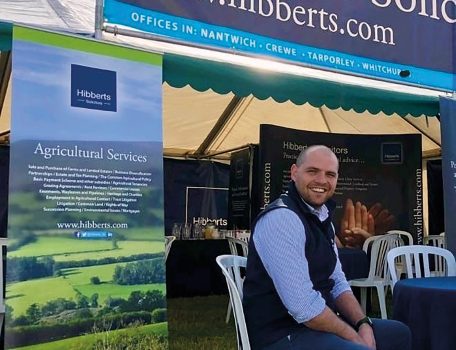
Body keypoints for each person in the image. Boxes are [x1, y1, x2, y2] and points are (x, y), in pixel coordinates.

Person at [243, 145, 411, 350]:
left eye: (330, 174)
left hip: (314, 327)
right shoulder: (282, 219)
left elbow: (337, 281)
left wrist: (363, 323)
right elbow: (304, 308)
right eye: (312, 171)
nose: (322, 180)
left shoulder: (322, 218)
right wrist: (355, 338)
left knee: (398, 333)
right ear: (294, 173)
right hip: (280, 334)